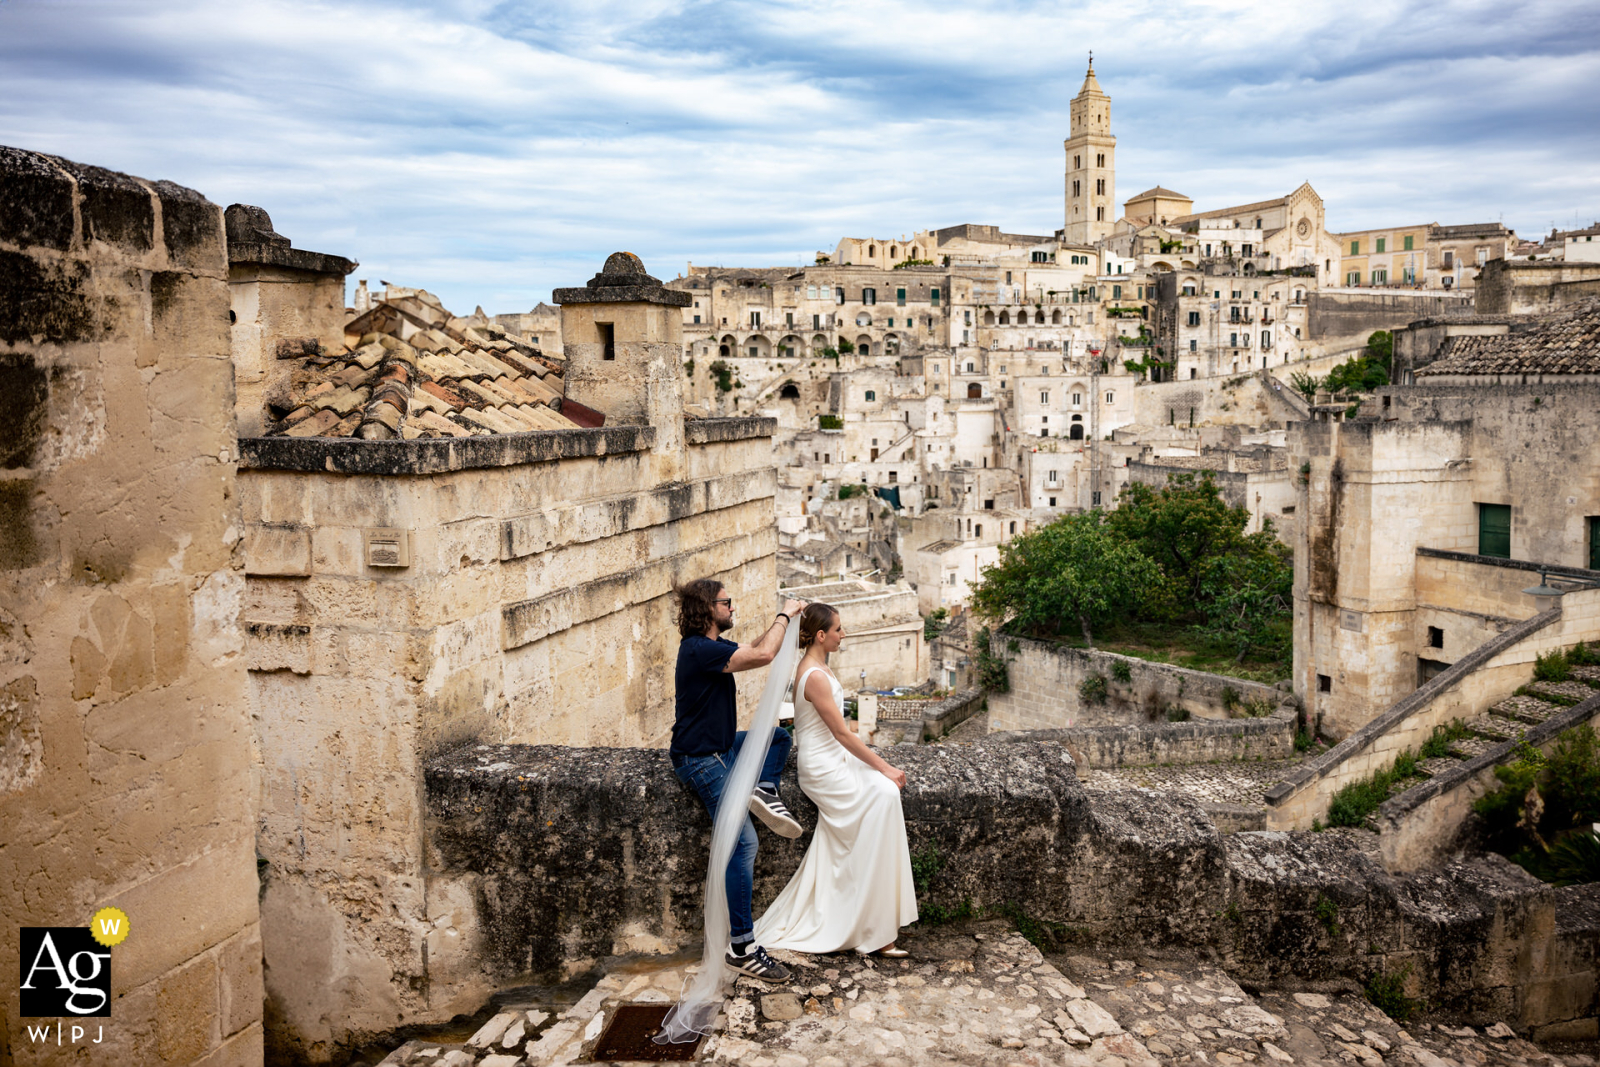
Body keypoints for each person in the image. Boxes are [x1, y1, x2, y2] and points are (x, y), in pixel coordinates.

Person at [752, 602, 917, 957]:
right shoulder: (812, 676)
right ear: (822, 635)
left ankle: (876, 925)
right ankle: (871, 928)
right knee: (885, 795)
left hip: (834, 760)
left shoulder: (814, 668)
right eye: (839, 630)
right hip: (824, 769)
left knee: (885, 799)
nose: (844, 635)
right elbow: (842, 734)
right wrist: (885, 767)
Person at [670, 578, 806, 981]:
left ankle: (763, 790)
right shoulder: (699, 650)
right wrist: (785, 614)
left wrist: (780, 623)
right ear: (707, 609)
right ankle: (742, 946)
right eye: (726, 602)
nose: (732, 607)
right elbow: (765, 654)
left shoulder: (713, 648)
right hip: (701, 760)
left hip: (723, 746)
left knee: (777, 737)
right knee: (743, 843)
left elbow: (758, 646)